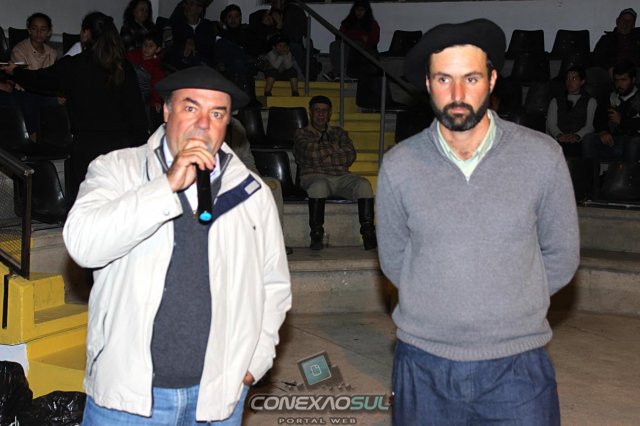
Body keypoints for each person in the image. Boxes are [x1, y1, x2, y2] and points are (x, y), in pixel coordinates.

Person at [377, 19, 580, 425]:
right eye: (444, 79)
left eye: (470, 78)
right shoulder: (398, 166)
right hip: (423, 364)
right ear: (428, 84)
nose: (457, 95)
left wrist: (509, 306)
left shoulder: (542, 157)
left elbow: (561, 254)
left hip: (518, 366)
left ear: (492, 80)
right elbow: (394, 261)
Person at [63, 66, 292, 424]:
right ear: (166, 111)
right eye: (190, 108)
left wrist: (256, 360)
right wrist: (165, 187)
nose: (203, 123)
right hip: (129, 401)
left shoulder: (251, 192)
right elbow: (83, 245)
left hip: (217, 399)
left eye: (217, 114)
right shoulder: (116, 169)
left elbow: (273, 285)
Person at [3, 12, 149, 202]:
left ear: (86, 34)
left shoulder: (76, 65)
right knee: (117, 205)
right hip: (120, 149)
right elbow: (137, 113)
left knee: (86, 205)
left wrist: (15, 72)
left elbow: (40, 80)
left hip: (87, 148)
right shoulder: (124, 67)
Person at [293, 95, 377, 251]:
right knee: (319, 186)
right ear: (310, 112)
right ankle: (316, 235)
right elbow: (311, 154)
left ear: (330, 113)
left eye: (324, 111)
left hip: (341, 176)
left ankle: (368, 234)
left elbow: (350, 155)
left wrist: (322, 154)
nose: (321, 114)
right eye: (317, 110)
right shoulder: (301, 133)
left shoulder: (339, 132)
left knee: (364, 185)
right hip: (314, 175)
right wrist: (336, 149)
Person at [583, 60, 640, 163]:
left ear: (633, 80)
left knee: (634, 143)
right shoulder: (610, 97)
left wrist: (622, 121)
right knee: (588, 140)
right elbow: (598, 119)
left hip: (633, 140)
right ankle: (591, 173)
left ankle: (628, 173)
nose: (619, 84)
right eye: (616, 80)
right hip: (613, 140)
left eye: (623, 80)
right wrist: (603, 131)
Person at [546, 66, 597, 158]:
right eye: (567, 79)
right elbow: (551, 123)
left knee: (574, 149)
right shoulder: (555, 100)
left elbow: (590, 125)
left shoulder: (591, 101)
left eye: (574, 79)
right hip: (560, 139)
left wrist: (577, 136)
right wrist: (559, 135)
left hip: (579, 141)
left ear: (582, 81)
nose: (569, 82)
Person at [325, 0, 380, 80]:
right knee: (334, 45)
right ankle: (338, 72)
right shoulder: (348, 22)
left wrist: (359, 38)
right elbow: (340, 35)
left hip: (363, 49)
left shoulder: (372, 24)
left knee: (351, 45)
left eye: (362, 10)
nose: (359, 12)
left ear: (366, 11)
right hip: (347, 44)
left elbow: (374, 41)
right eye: (357, 10)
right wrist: (357, 36)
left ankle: (336, 72)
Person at [127, 31, 164, 130]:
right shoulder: (133, 55)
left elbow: (156, 85)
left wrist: (156, 101)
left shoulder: (156, 67)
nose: (146, 48)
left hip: (142, 96)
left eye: (151, 46)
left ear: (158, 49)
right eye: (145, 45)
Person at [167, 0, 218, 70]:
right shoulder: (176, 25)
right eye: (186, 3)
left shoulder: (207, 25)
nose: (187, 7)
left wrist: (193, 41)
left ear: (199, 9)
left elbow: (209, 47)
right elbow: (172, 47)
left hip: (203, 62)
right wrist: (188, 39)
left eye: (191, 4)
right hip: (181, 64)